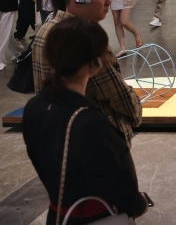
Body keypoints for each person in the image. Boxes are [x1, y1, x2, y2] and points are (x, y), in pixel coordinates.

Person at [23, 18, 148, 225]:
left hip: (59, 214)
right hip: (98, 217)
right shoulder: (89, 121)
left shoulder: (34, 106)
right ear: (95, 63)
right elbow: (114, 181)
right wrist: (139, 203)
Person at [31, 0, 142, 146]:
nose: (108, 1)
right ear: (78, 0)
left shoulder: (45, 30)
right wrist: (136, 111)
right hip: (98, 141)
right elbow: (120, 98)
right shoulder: (85, 39)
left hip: (57, 137)